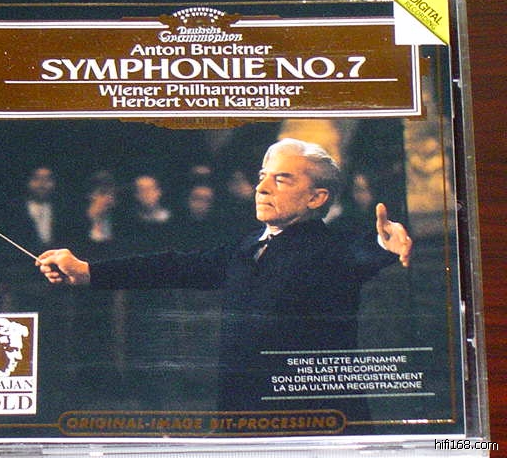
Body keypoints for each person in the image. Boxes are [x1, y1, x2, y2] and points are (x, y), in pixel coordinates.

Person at [36, 138, 412, 413]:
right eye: (262, 176)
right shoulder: (246, 247)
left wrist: (384, 245)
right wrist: (88, 271)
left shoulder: (331, 249)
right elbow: (174, 266)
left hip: (313, 424)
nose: (261, 188)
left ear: (316, 197)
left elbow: (357, 254)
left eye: (282, 179)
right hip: (241, 416)